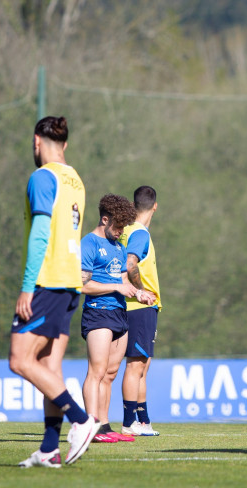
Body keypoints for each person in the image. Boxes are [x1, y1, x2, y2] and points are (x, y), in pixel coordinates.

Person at [10, 116, 100, 468]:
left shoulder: (42, 177)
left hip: (47, 281)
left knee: (19, 359)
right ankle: (49, 448)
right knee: (50, 365)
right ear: (65, 144)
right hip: (70, 282)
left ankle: (81, 418)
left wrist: (27, 286)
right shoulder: (74, 178)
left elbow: (40, 233)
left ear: (37, 142)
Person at [80, 194, 153, 443]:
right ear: (104, 219)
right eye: (118, 226)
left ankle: (104, 426)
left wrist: (139, 293)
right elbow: (82, 285)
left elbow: (123, 281)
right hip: (98, 312)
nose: (120, 231)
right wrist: (115, 288)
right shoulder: (88, 244)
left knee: (110, 373)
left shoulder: (119, 246)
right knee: (96, 371)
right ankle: (90, 427)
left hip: (120, 313)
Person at [118, 186, 162, 437]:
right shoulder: (139, 233)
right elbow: (130, 263)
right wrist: (141, 291)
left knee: (142, 366)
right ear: (155, 206)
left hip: (137, 307)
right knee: (135, 367)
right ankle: (128, 422)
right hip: (139, 307)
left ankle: (143, 420)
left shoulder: (125, 230)